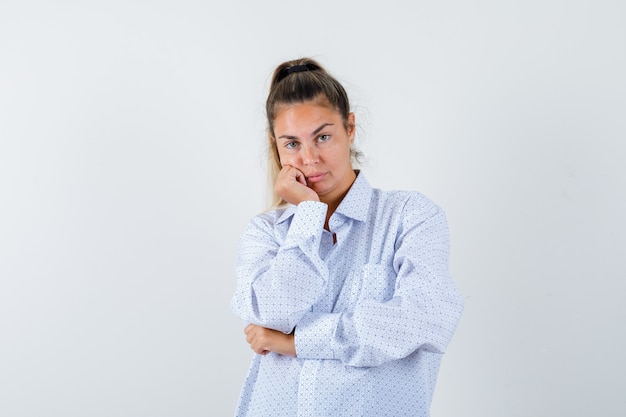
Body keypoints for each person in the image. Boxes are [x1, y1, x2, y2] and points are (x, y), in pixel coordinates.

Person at [230, 57, 463, 417]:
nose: (309, 158)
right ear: (275, 144)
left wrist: (296, 342)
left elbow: (427, 320)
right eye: (291, 144)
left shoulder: (410, 217)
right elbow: (273, 314)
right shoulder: (267, 233)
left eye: (323, 137)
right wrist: (308, 213)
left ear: (349, 128)